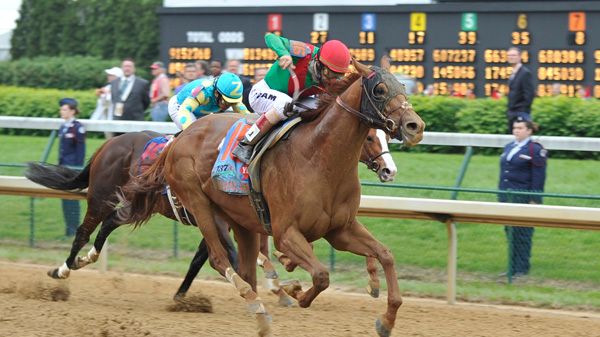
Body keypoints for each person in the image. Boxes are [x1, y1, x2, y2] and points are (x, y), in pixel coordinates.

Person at [232, 33, 351, 163]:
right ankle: (246, 143)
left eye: (338, 75)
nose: (332, 80)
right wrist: (284, 53)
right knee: (285, 103)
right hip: (262, 93)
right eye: (330, 73)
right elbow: (270, 37)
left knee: (326, 107)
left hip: (294, 100)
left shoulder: (329, 75)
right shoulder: (304, 51)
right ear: (319, 62)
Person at [498, 117, 547, 280]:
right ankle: (512, 267)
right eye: (514, 127)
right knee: (510, 231)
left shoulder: (535, 149)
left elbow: (539, 177)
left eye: (520, 128)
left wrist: (534, 199)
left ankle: (521, 268)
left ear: (529, 131)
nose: (516, 130)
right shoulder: (509, 146)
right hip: (507, 195)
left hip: (522, 196)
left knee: (522, 233)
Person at [168, 72, 248, 131]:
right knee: (195, 133)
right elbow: (184, 109)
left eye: (232, 103)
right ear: (217, 93)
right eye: (226, 102)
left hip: (200, 112)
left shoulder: (231, 95)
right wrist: (190, 132)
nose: (228, 105)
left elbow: (247, 116)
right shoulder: (203, 92)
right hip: (179, 107)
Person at [58, 98, 86, 237]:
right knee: (64, 199)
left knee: (72, 200)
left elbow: (80, 151)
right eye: (61, 109)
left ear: (72, 111)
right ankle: (68, 229)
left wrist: (76, 170)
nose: (61, 111)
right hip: (63, 168)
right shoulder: (63, 126)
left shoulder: (77, 127)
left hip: (72, 169)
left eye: (64, 109)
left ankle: (74, 229)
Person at [110, 58, 150, 122]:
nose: (127, 68)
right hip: (117, 119)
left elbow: (146, 102)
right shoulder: (114, 83)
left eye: (130, 66)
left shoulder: (142, 83)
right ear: (122, 68)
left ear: (134, 69)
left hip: (135, 120)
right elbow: (113, 99)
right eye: (125, 66)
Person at [506, 47, 534, 133]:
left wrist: (522, 111)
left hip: (521, 113)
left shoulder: (525, 73)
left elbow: (529, 94)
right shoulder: (513, 73)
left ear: (519, 57)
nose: (511, 57)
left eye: (513, 55)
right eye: (509, 55)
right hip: (512, 113)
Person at [90, 66, 123, 138]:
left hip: (116, 117)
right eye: (109, 75)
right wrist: (102, 94)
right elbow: (103, 102)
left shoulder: (121, 87)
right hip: (106, 117)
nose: (108, 77)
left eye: (111, 75)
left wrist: (107, 94)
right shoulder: (108, 86)